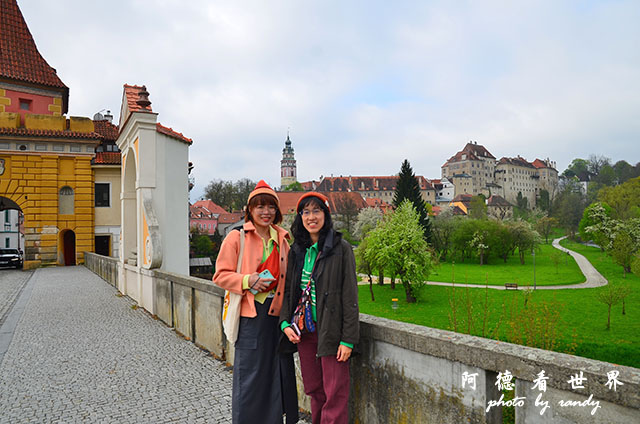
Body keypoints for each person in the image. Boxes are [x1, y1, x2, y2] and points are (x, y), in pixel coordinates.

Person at [213, 180, 298, 424]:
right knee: (250, 377)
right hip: (251, 316)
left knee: (277, 374)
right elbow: (220, 275)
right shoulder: (236, 237)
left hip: (277, 315)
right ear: (250, 209)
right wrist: (248, 280)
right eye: (260, 206)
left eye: (271, 206)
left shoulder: (282, 239)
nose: (266, 212)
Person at [280, 192, 359, 424]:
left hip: (332, 333)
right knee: (315, 391)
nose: (311, 217)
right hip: (304, 333)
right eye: (306, 212)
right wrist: (285, 323)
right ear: (300, 217)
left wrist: (348, 339)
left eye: (317, 211)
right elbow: (288, 292)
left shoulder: (340, 248)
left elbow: (350, 296)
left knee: (335, 394)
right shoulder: (297, 251)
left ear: (326, 214)